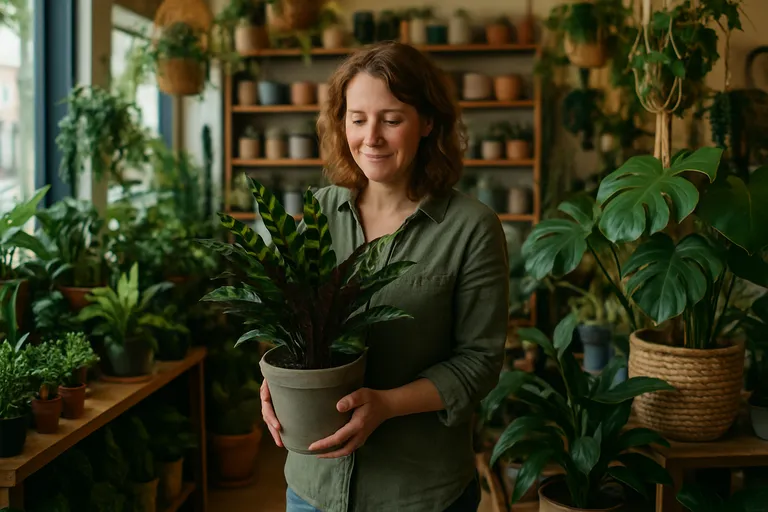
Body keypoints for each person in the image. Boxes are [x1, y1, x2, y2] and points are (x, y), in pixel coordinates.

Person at [260, 40, 509, 512]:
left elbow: (479, 362)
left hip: (419, 493)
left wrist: (388, 405)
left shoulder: (471, 228)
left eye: (391, 120)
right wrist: (274, 382)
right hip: (313, 490)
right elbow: (283, 321)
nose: (370, 137)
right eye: (357, 119)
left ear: (428, 122)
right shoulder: (318, 213)